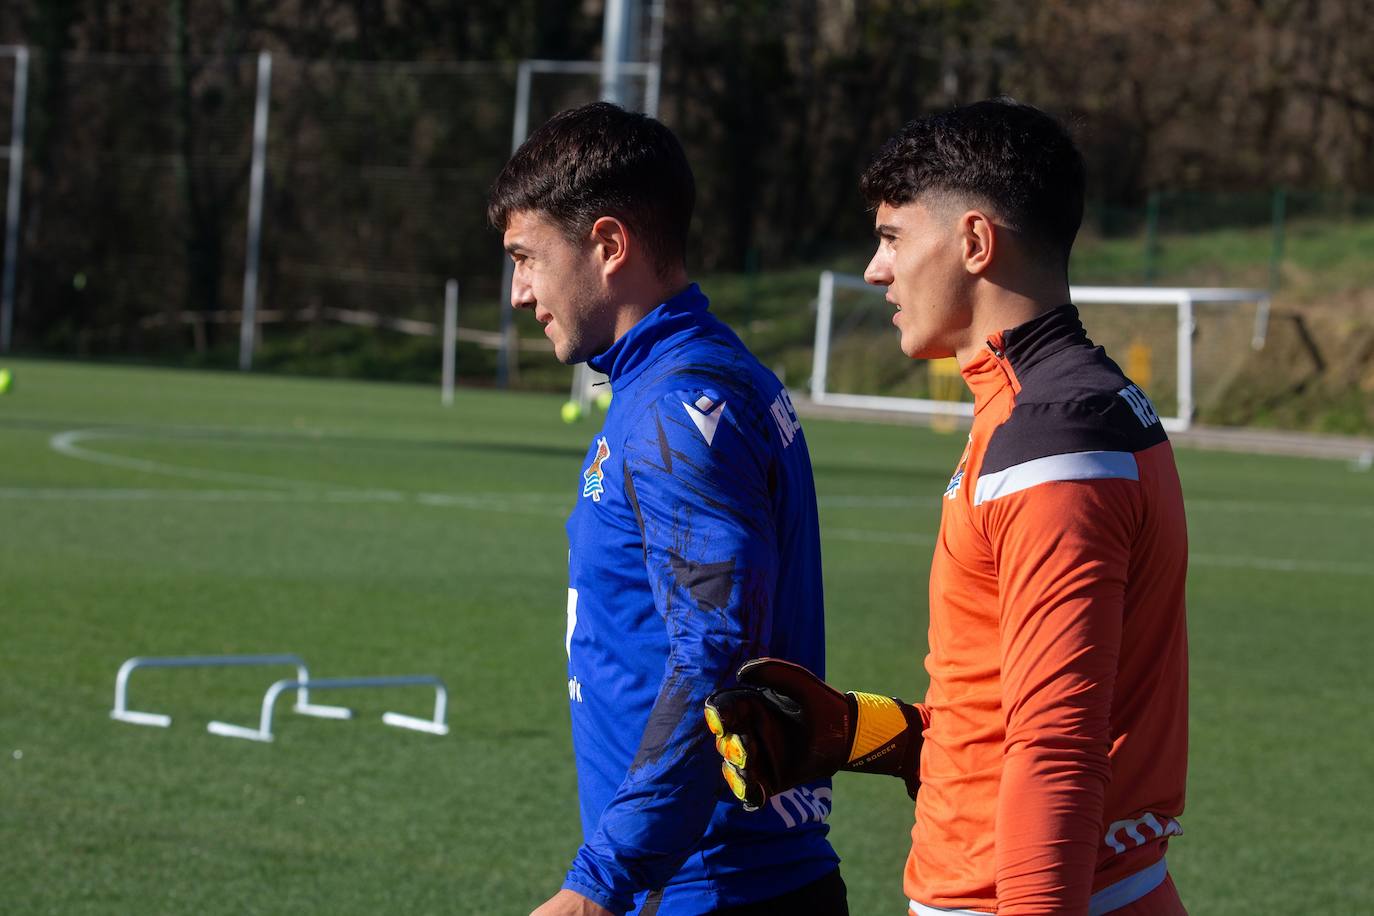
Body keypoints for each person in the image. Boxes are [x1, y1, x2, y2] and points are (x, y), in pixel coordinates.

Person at [707, 98, 1189, 915]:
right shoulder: (1054, 403)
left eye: (893, 237)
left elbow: (1057, 750)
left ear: (974, 242)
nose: (874, 269)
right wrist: (856, 732)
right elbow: (1004, 710)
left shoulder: (1051, 437)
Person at [488, 102, 847, 916]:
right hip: (714, 879)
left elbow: (715, 650)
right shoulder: (686, 379)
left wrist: (598, 886)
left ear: (609, 246)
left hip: (715, 888)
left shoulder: (678, 407)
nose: (518, 293)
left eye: (526, 258)